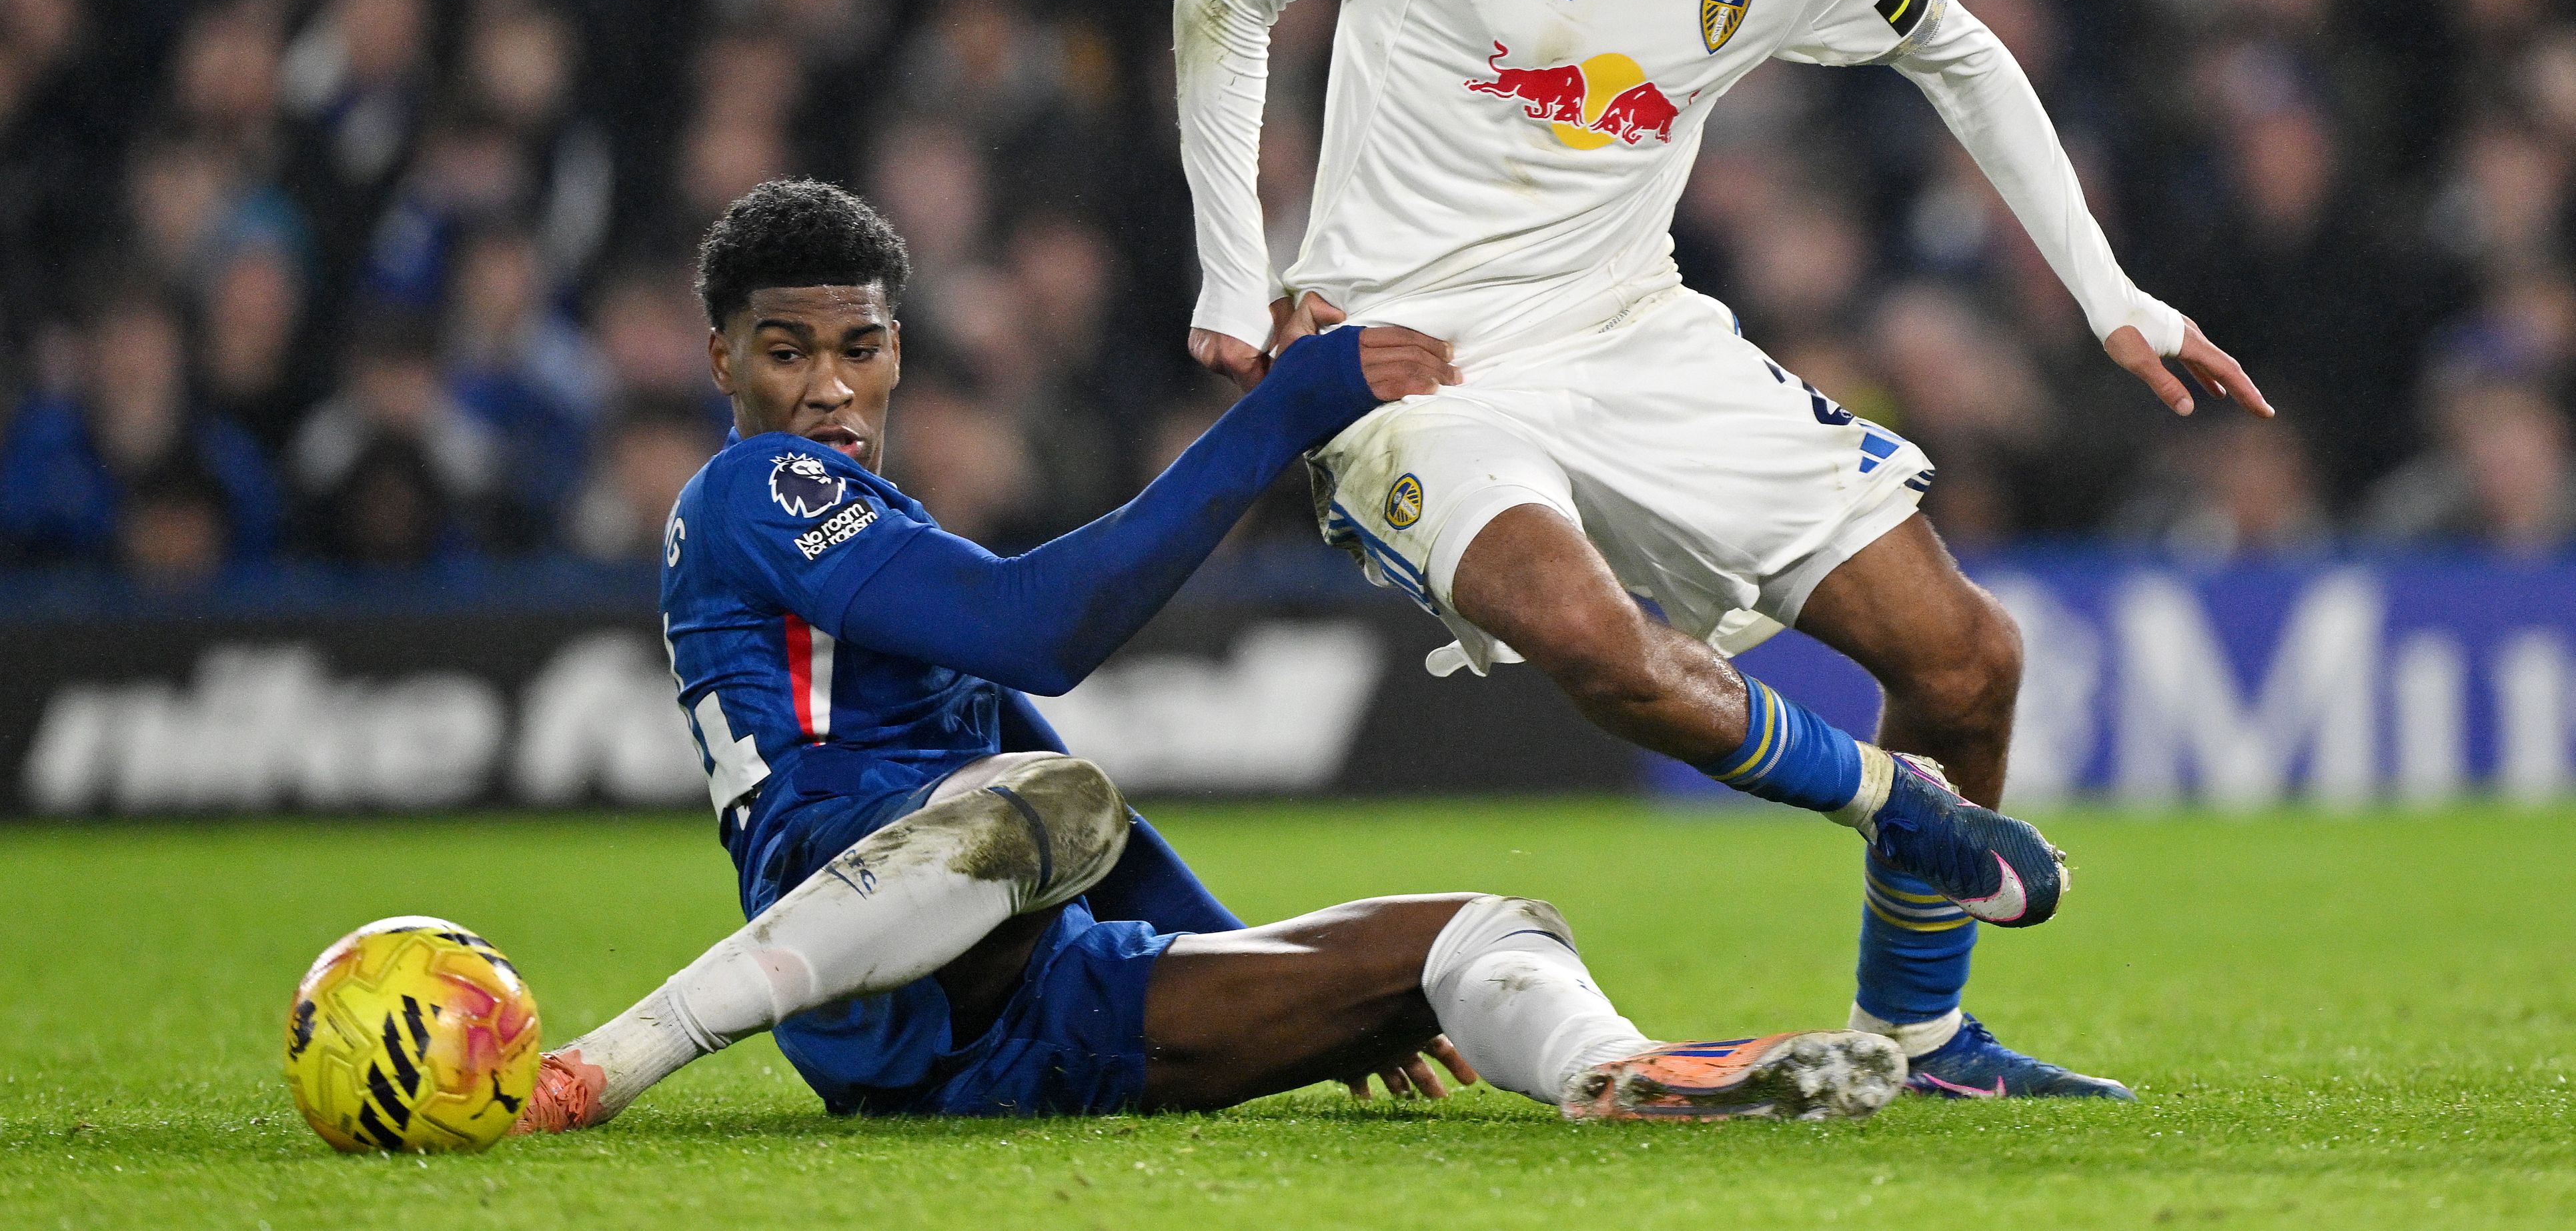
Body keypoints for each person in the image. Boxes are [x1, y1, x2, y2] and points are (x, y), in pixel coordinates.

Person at [1172, 0, 2275, 1099]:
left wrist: (2109, 295)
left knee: (1967, 659)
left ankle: (1924, 1033)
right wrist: (1239, 278)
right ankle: (1898, 807)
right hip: (1407, 358)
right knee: (1583, 636)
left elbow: (1960, 56)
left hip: (1629, 328)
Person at [513, 178, 1930, 1127]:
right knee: (1055, 802)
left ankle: (1615, 1068)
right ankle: (611, 1060)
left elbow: (1021, 727)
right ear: (719, 362)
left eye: (860, 346)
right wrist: (1288, 411)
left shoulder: (868, 519)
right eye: (783, 350)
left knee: (1481, 933)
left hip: (1012, 995)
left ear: (896, 347)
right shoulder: (755, 492)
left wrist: (1258, 960)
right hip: (865, 965)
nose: (827, 384)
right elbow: (1043, 632)